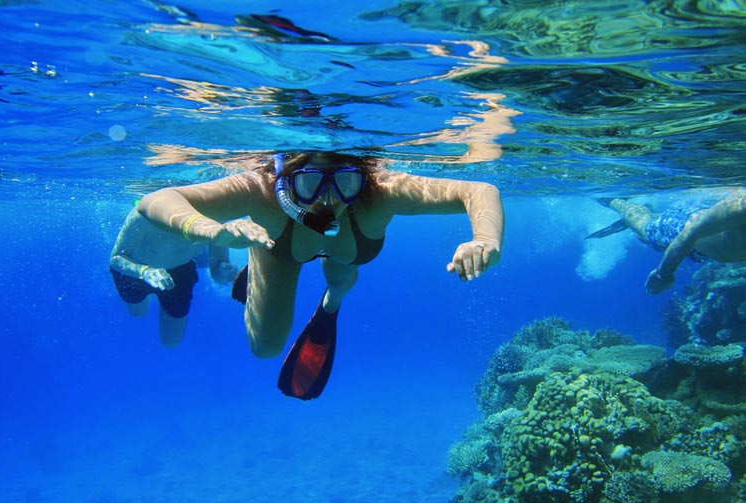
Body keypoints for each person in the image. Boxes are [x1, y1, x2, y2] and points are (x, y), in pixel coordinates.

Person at [137, 152, 504, 399]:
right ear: (284, 181)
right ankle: (258, 246)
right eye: (309, 184)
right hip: (277, 245)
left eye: (345, 183)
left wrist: (484, 239)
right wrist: (205, 229)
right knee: (265, 347)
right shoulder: (261, 191)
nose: (328, 201)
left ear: (362, 178)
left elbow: (479, 190)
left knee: (341, 278)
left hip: (346, 250)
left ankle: (331, 303)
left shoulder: (380, 192)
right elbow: (155, 201)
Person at [109, 206, 239, 347]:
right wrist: (144, 272)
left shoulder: (216, 220)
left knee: (171, 342)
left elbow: (217, 274)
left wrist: (224, 273)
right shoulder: (145, 213)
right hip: (135, 271)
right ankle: (152, 297)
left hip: (180, 272)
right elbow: (116, 258)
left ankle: (163, 299)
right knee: (138, 313)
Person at [586, 191, 746, 294]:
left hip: (703, 247)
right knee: (644, 230)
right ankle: (613, 200)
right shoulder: (740, 209)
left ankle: (652, 213)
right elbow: (688, 235)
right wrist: (664, 273)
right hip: (680, 226)